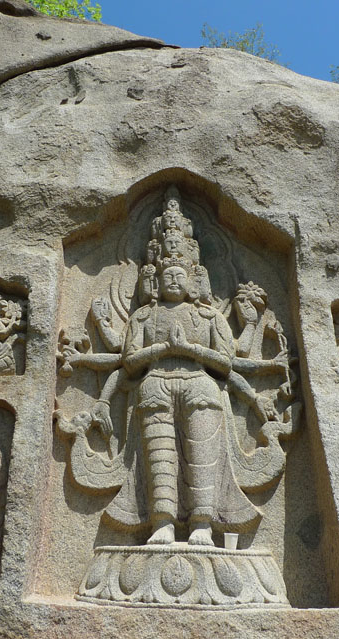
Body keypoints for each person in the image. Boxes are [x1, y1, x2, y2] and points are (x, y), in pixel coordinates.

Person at [104, 199, 258, 546]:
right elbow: (130, 360)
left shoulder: (209, 317)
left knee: (202, 457)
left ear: (195, 279)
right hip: (155, 385)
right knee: (160, 459)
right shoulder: (143, 317)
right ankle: (163, 523)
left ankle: (203, 524)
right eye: (166, 274)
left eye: (180, 274)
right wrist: (163, 350)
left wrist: (188, 350)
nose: (173, 279)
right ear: (155, 280)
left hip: (200, 386)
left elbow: (226, 362)